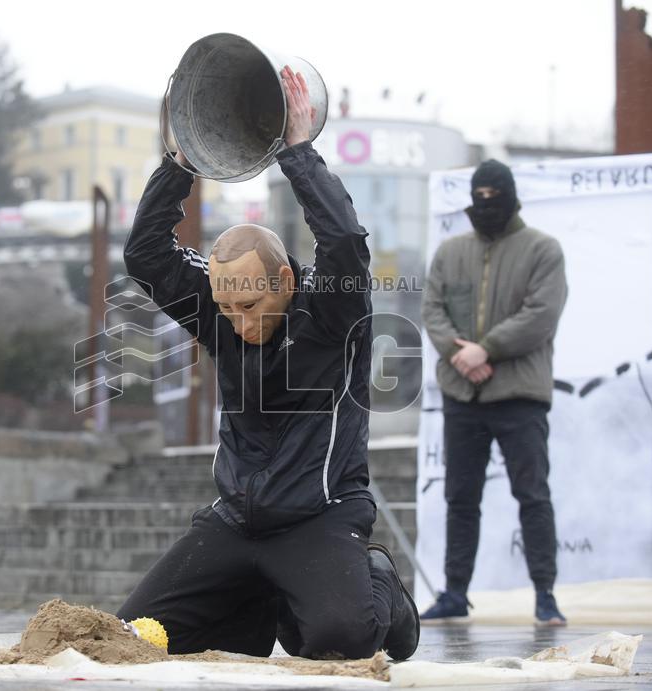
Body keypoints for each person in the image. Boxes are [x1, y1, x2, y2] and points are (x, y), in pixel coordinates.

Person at [117, 66, 419, 660]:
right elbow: (146, 254)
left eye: (252, 302)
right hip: (235, 522)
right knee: (128, 639)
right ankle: (254, 606)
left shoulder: (330, 310)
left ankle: (380, 584)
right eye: (226, 306)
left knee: (340, 641)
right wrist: (179, 163)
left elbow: (344, 244)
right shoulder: (221, 310)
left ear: (285, 279)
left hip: (320, 518)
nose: (238, 318)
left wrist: (298, 153)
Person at [421, 160, 569, 625]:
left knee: (533, 495)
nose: (486, 207)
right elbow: (433, 309)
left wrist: (486, 349)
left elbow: (541, 314)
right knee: (460, 499)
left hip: (520, 396)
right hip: (462, 395)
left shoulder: (544, 250)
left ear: (510, 198)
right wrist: (458, 352)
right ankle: (455, 593)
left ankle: (545, 595)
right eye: (478, 197)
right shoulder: (450, 252)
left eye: (494, 198)